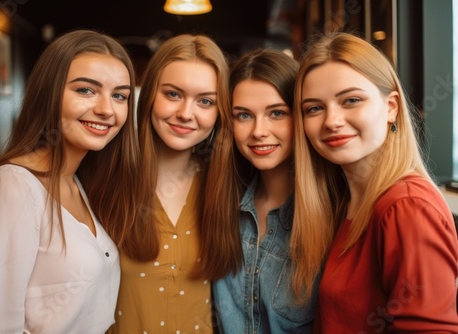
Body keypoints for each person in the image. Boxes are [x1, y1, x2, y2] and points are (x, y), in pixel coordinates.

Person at [0, 29, 139, 333]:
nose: (107, 109)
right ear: (49, 93)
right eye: (86, 90)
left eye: (119, 95)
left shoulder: (76, 183)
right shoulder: (13, 186)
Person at [292, 31, 458, 332]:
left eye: (351, 100)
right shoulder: (346, 200)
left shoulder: (406, 206)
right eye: (314, 108)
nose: (331, 120)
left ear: (391, 107)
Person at [106, 33, 240, 334]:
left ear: (220, 112)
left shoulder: (228, 188)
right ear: (150, 92)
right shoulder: (104, 179)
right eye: (173, 94)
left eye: (205, 101)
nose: (186, 114)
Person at [211, 48, 317, 333]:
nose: (259, 131)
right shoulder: (222, 204)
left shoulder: (333, 213)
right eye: (244, 115)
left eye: (277, 113)